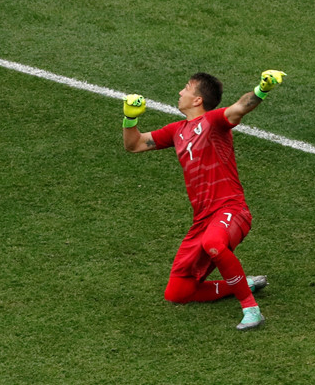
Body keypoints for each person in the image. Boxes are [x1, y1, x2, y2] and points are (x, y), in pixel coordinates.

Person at [121, 69, 286, 331]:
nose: (180, 92)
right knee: (178, 292)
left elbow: (240, 108)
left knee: (213, 244)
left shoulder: (213, 121)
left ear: (198, 100)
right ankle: (243, 282)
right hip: (203, 219)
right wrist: (130, 120)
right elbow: (135, 145)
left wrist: (262, 89)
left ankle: (251, 308)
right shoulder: (176, 131)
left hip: (231, 209)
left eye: (186, 88)